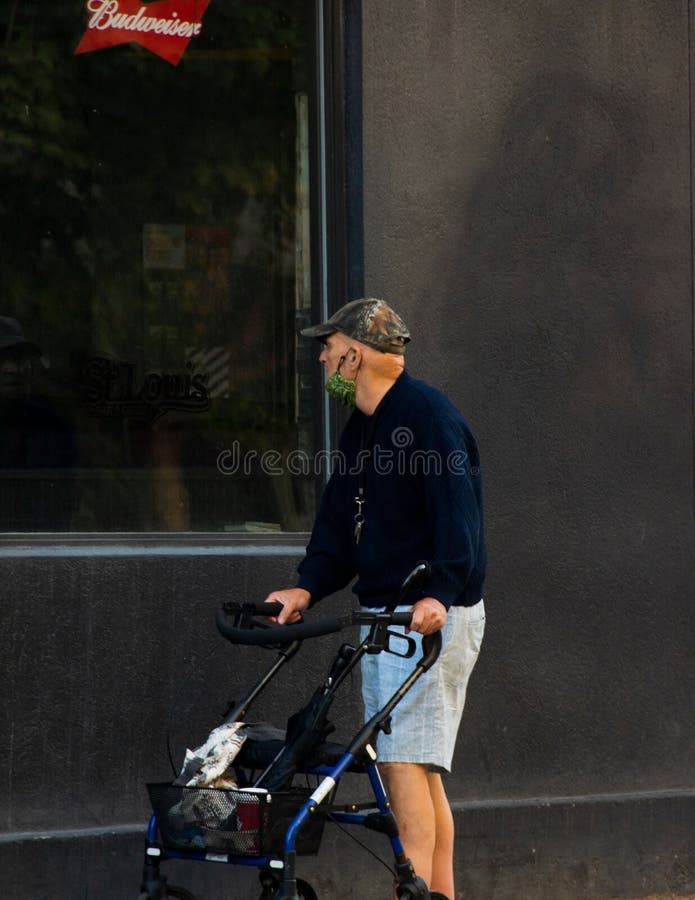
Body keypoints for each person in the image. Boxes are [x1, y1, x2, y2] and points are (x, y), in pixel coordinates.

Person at [266, 298, 486, 899]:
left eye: (328, 347)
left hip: (425, 620)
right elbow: (340, 525)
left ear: (355, 353)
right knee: (419, 773)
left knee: (401, 772)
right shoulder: (364, 427)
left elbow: (458, 514)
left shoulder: (426, 416)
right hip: (395, 617)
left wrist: (442, 589)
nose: (321, 357)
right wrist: (306, 586)